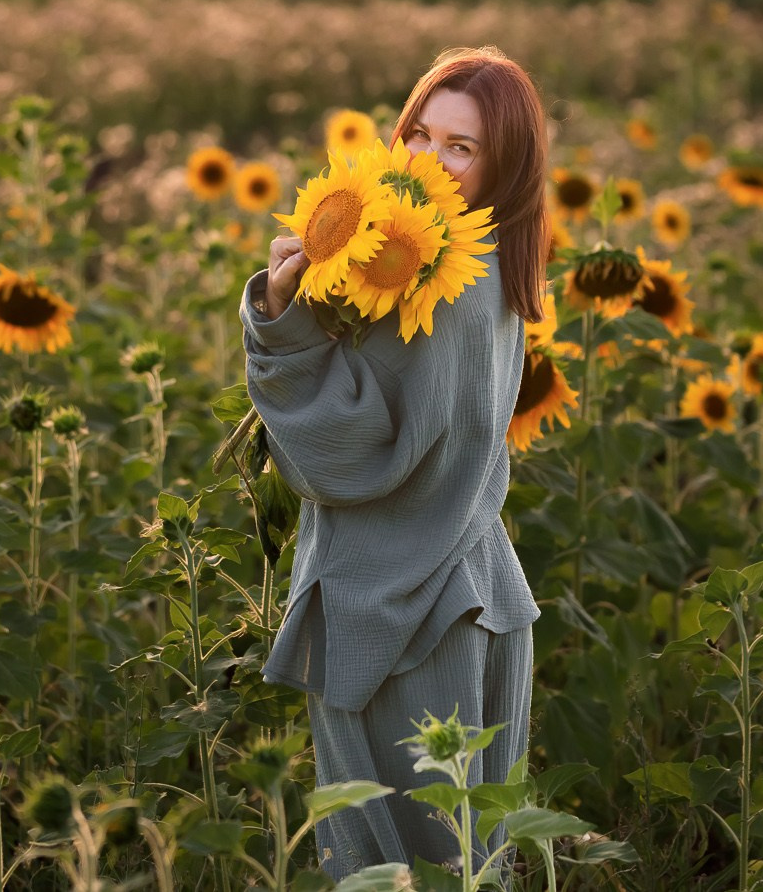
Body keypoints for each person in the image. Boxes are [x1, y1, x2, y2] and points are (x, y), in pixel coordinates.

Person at [238, 45, 555, 884]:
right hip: (464, 587)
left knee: (400, 871)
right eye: (420, 133)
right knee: (468, 861)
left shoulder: (445, 289)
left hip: (409, 613)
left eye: (461, 147)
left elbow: (352, 459)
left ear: (505, 168)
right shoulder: (483, 267)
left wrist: (282, 324)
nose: (427, 161)